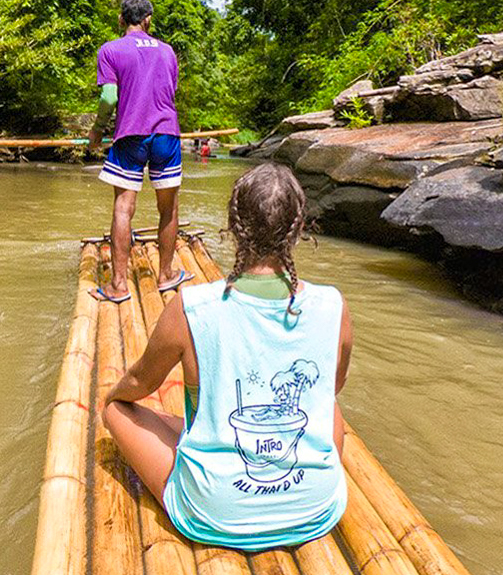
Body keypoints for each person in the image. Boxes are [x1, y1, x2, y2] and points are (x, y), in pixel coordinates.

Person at [100, 163, 354, 550]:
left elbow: (139, 383)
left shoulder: (192, 306)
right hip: (316, 508)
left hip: (214, 512)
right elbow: (330, 388)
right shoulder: (333, 305)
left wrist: (112, 394)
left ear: (234, 227)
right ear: (299, 228)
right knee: (328, 403)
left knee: (115, 411)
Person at [88, 0, 192, 303]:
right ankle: (165, 275)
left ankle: (118, 285)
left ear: (121, 19)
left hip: (130, 133)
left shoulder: (110, 50)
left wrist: (97, 129)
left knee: (123, 208)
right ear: (148, 20)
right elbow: (167, 93)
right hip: (166, 133)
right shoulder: (168, 51)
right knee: (169, 208)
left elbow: (109, 97)